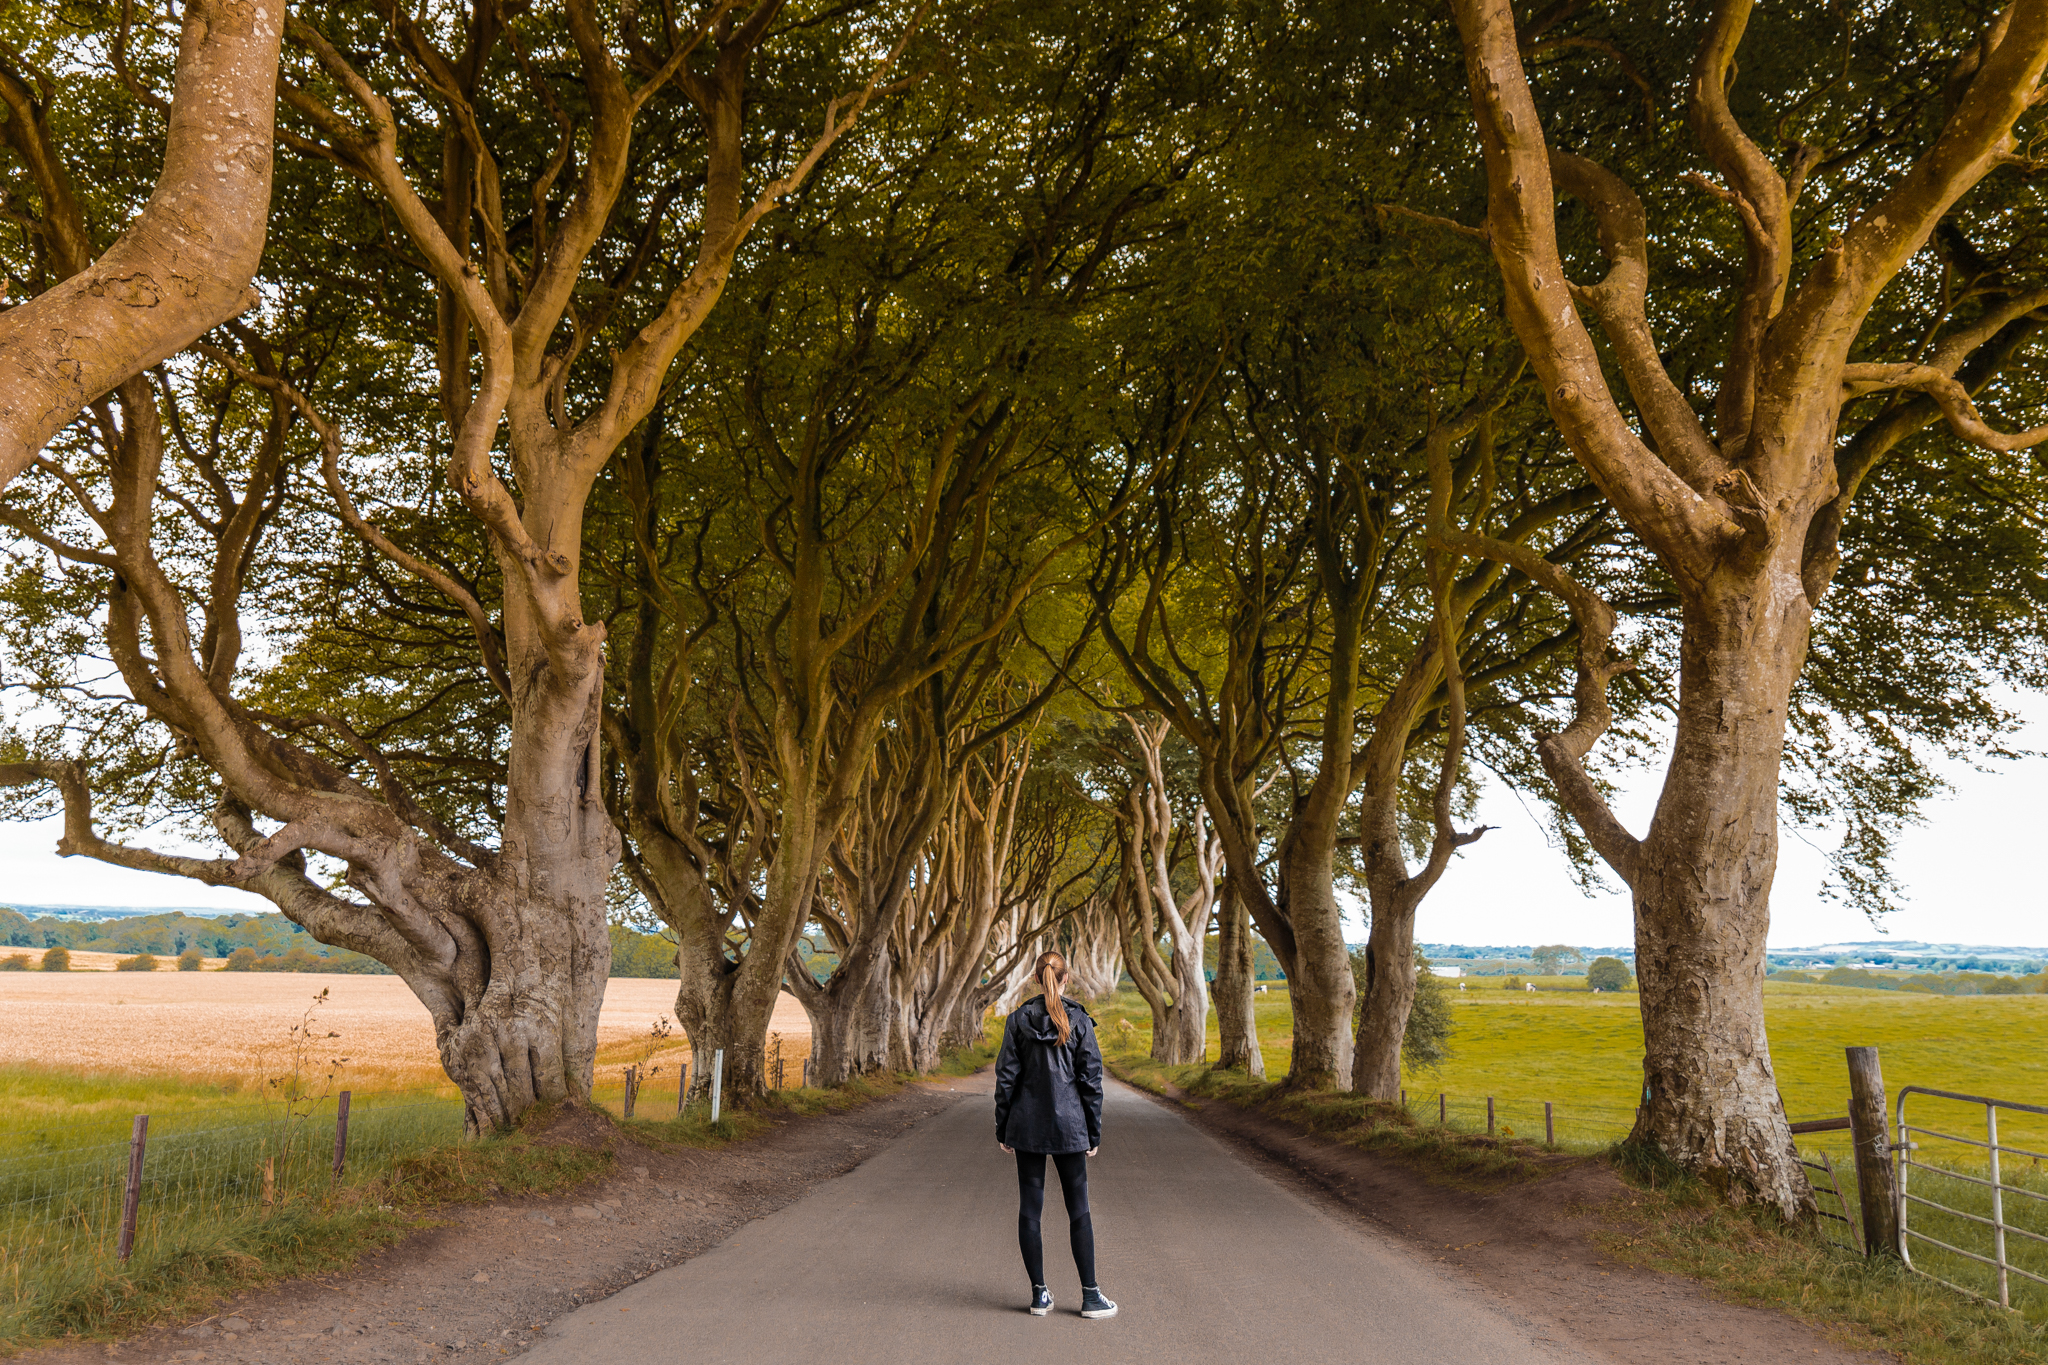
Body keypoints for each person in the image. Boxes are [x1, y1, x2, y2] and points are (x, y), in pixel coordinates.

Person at [993, 950, 1115, 1320]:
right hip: (1070, 1129)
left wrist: (1003, 1127)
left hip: (1027, 1128)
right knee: (1079, 1210)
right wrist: (1092, 1133)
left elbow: (1005, 1079)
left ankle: (1039, 1296)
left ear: (1035, 979)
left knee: (1031, 1209)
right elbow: (1090, 1082)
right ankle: (1091, 1297)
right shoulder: (1079, 1021)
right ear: (1066, 979)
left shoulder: (1017, 1020)